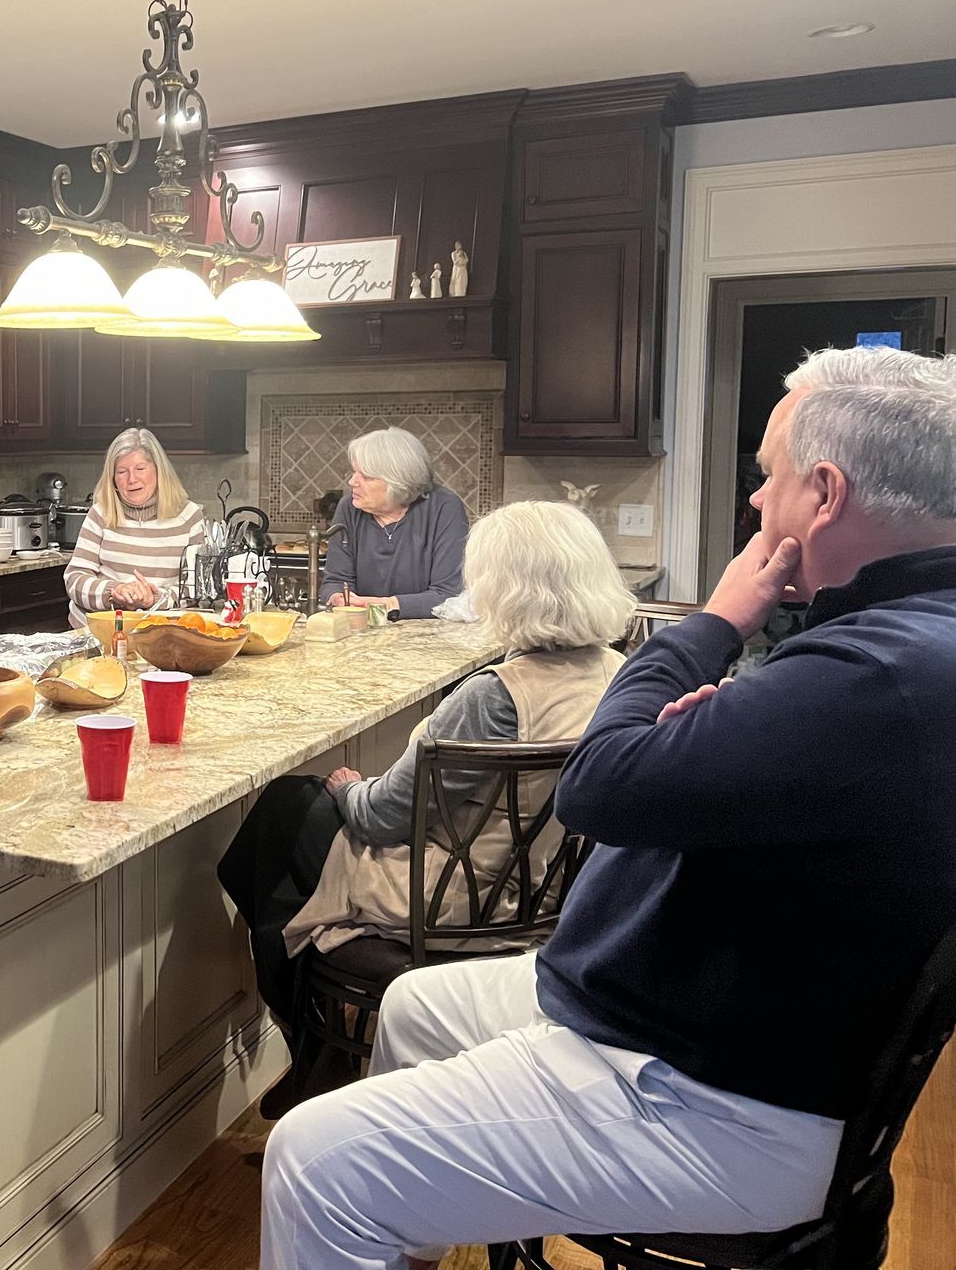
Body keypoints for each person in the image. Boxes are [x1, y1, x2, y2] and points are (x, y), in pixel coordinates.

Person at [261, 346, 956, 1269]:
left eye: (767, 479)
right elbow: (676, 769)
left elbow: (605, 783)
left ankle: (382, 1208)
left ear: (824, 494)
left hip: (711, 1095)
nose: (754, 504)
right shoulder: (895, 642)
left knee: (315, 1160)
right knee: (418, 1007)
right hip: (684, 1019)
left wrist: (715, 623)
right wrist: (709, 729)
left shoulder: (877, 673)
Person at [222, 501, 631, 1117]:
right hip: (551, 892)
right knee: (277, 841)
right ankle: (311, 1043)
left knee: (283, 809)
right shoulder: (619, 675)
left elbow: (383, 817)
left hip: (455, 898)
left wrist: (348, 787)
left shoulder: (493, 696)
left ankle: (311, 1045)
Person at [315, 426, 469, 620]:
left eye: (366, 476)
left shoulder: (444, 508)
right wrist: (338, 597)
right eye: (354, 472)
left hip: (426, 637)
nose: (352, 482)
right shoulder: (349, 507)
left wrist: (388, 605)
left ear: (398, 482)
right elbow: (336, 580)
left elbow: (448, 596)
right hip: (361, 630)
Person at [63, 427, 206, 627]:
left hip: (160, 635)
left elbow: (196, 588)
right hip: (96, 633)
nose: (132, 479)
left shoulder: (189, 516)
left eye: (140, 469)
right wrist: (115, 591)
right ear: (112, 477)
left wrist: (152, 599)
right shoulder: (100, 513)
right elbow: (74, 580)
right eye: (122, 471)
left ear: (158, 470)